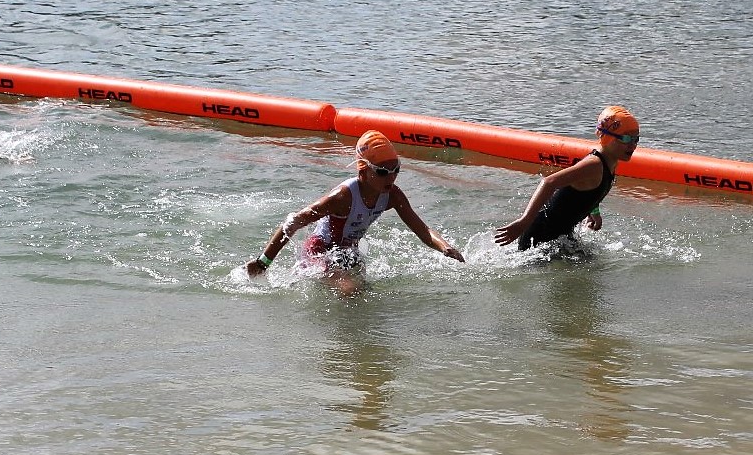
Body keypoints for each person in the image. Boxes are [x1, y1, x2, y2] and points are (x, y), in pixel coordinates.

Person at [246, 130, 464, 296]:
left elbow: (421, 228)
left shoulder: (392, 195)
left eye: (396, 169)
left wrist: (445, 247)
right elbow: (294, 221)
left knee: (365, 292)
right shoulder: (343, 197)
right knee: (351, 290)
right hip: (319, 253)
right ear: (363, 170)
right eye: (382, 172)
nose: (391, 177)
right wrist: (263, 263)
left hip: (348, 253)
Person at [494, 106, 640, 251]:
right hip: (539, 237)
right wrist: (524, 221)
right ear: (607, 136)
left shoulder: (609, 163)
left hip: (561, 235)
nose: (632, 145)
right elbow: (549, 182)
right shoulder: (594, 165)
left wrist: (594, 211)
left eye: (636, 139)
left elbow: (588, 189)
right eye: (626, 138)